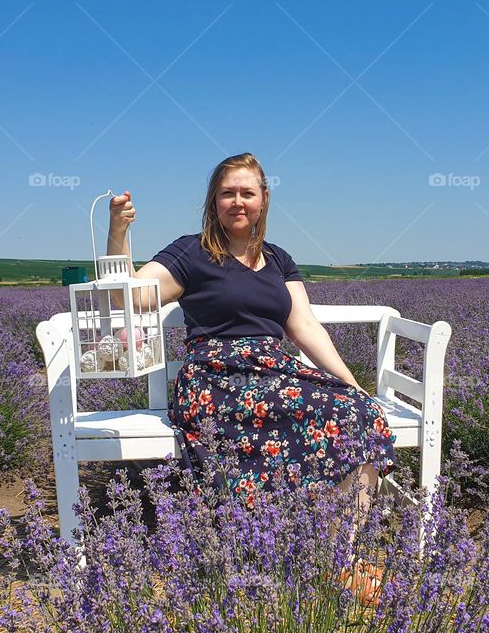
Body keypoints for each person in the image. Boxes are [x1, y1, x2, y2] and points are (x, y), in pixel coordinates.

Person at [107, 152, 393, 602]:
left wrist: (352, 385)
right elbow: (130, 297)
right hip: (215, 377)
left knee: (361, 415)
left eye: (247, 192)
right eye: (227, 193)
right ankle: (283, 550)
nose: (237, 202)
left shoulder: (278, 259)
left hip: (273, 369)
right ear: (213, 201)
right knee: (330, 414)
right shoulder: (190, 251)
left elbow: (304, 328)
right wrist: (119, 231)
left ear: (263, 199)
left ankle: (341, 556)